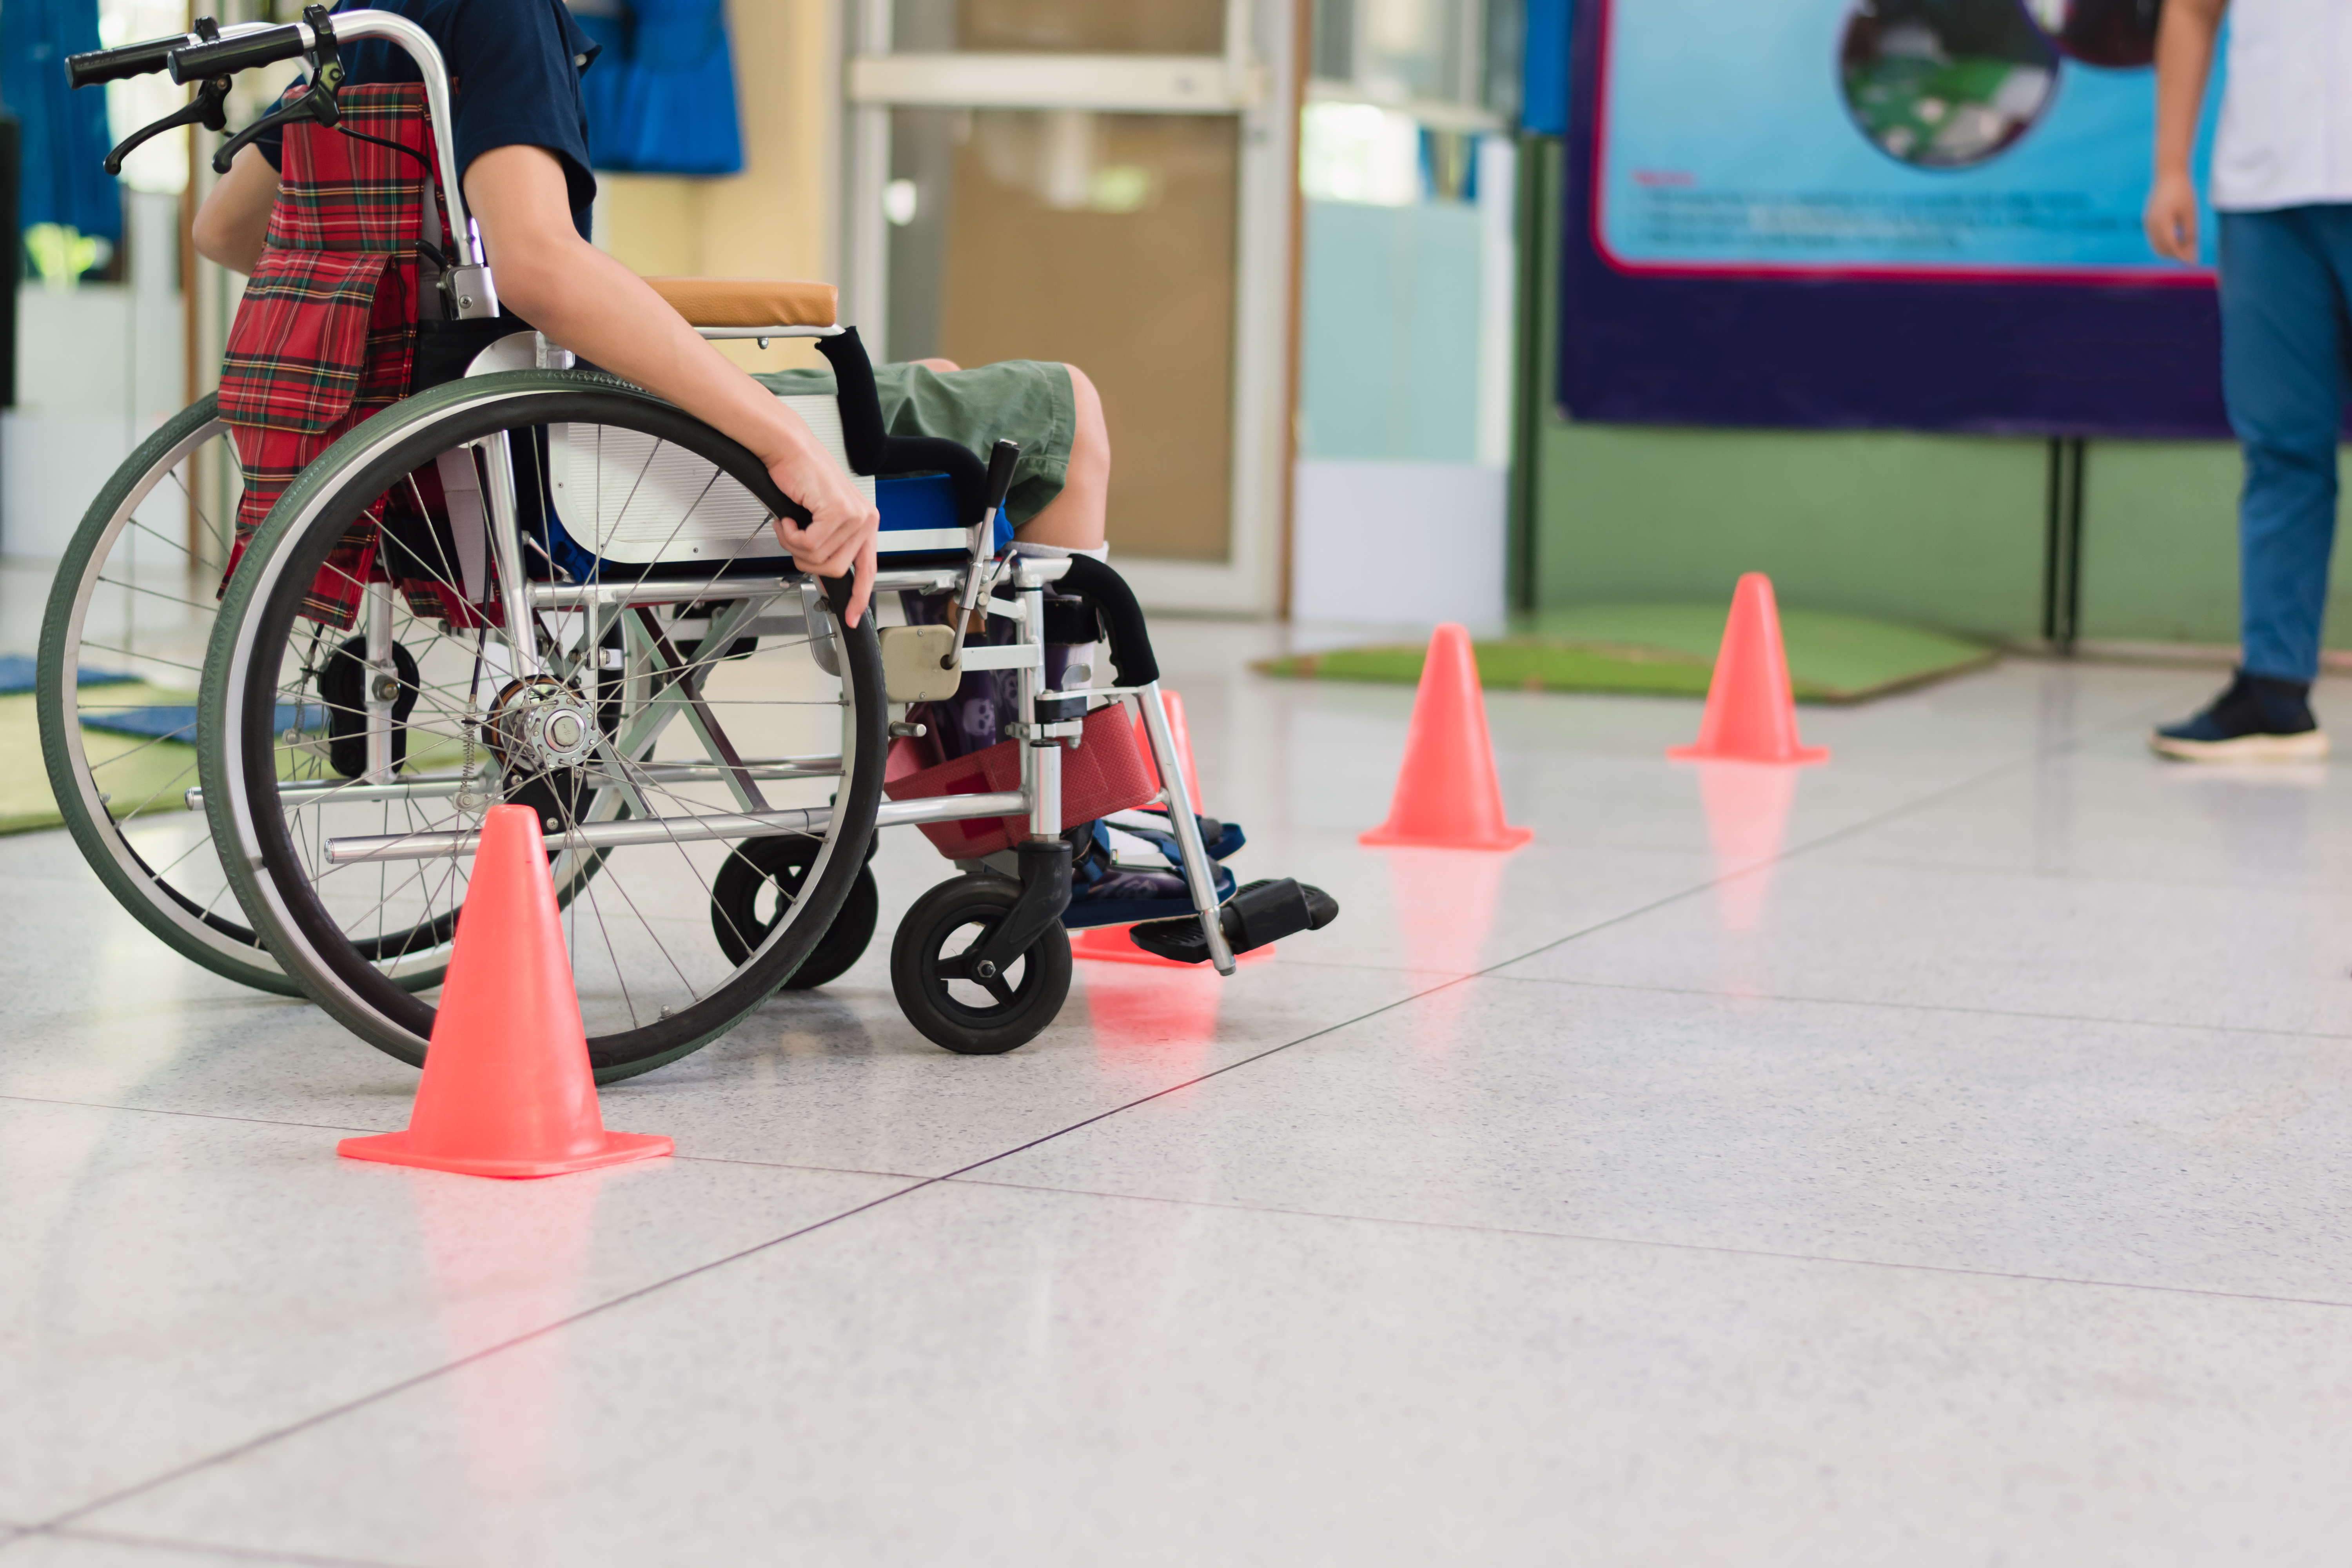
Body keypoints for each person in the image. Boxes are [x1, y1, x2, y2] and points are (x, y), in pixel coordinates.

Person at [188, 0, 1114, 629]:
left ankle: (957, 743)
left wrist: (421, 299)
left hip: (441, 441)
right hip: (563, 455)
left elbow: (226, 228)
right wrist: (787, 442)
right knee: (1063, 410)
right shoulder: (502, 12)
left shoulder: (369, 17)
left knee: (937, 385)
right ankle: (1058, 811)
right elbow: (541, 265)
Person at [2144, 0, 2351, 762]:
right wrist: (2171, 166)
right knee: (2282, 446)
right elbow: (2193, 12)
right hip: (2266, 193)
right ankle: (2274, 690)